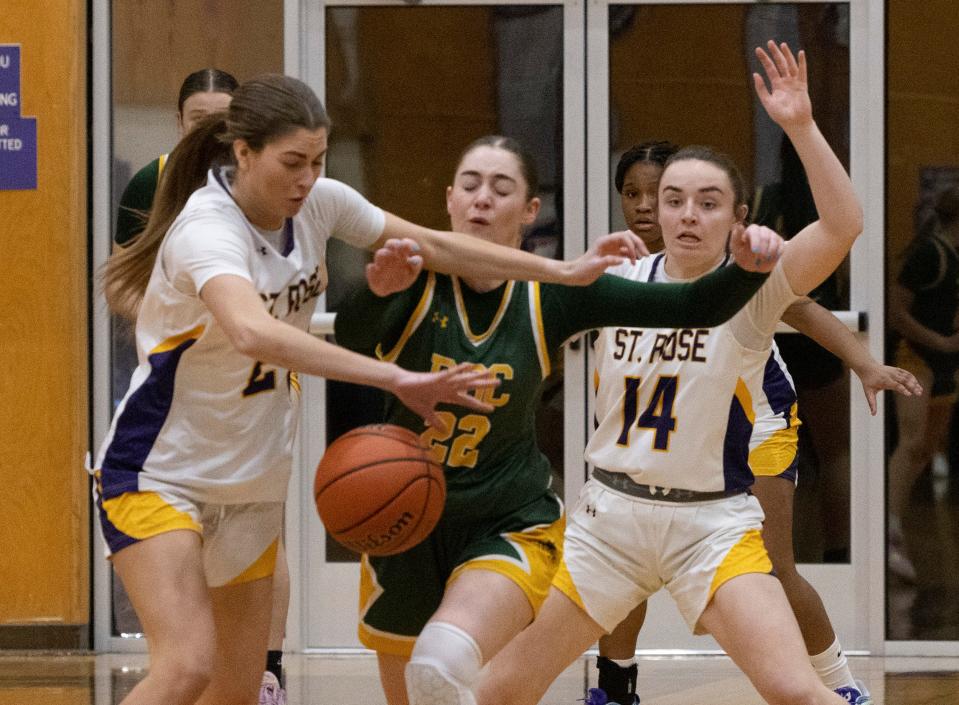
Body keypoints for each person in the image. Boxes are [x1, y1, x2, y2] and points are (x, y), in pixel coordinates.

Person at [92, 74, 653, 705]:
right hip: (159, 473)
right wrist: (397, 377)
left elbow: (438, 245)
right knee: (186, 667)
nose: (307, 179)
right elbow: (251, 333)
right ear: (243, 154)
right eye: (291, 163)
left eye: (318, 161)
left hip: (251, 478)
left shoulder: (321, 204)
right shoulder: (206, 230)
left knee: (237, 690)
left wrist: (561, 271)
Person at [475, 41, 863, 705]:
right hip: (610, 522)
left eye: (708, 202)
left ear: (738, 218)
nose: (687, 214)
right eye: (674, 199)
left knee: (792, 689)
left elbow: (843, 223)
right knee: (495, 690)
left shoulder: (751, 292)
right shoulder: (615, 280)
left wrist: (797, 126)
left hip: (709, 529)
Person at [333, 134, 784, 705]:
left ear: (528, 212)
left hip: (505, 518)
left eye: (501, 189)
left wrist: (745, 270)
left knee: (441, 665)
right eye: (470, 186)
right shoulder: (412, 279)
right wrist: (373, 293)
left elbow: (690, 307)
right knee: (430, 691)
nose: (481, 200)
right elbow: (350, 343)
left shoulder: (550, 294)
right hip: (407, 519)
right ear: (449, 200)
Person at [590, 142, 919, 705]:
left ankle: (840, 684)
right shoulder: (616, 271)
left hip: (753, 426)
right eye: (635, 194)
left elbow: (804, 306)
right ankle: (614, 690)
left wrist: (863, 361)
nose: (646, 207)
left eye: (659, 193)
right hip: (662, 439)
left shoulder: (740, 264)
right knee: (623, 564)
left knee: (772, 566)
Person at [112, 67, 293, 705]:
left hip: (254, 398)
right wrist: (188, 319)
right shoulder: (159, 186)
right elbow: (126, 277)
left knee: (264, 534)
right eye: (200, 120)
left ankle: (267, 670)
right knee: (186, 661)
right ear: (180, 122)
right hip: (177, 394)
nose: (213, 130)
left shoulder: (283, 194)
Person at [888, 184, 959, 585]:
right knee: (912, 442)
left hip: (945, 364)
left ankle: (890, 522)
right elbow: (896, 311)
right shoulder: (928, 253)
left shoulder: (953, 254)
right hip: (915, 356)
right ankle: (887, 529)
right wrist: (940, 342)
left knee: (928, 451)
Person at [115, 68, 238, 247]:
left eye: (221, 118)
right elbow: (124, 268)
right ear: (180, 122)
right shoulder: (151, 179)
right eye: (199, 119)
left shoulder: (255, 179)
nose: (210, 128)